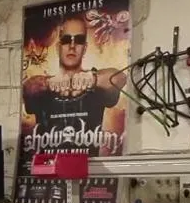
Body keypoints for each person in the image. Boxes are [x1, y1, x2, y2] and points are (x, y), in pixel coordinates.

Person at [21, 15, 125, 156]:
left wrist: (93, 79)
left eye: (79, 40)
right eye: (66, 40)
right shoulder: (43, 87)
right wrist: (48, 83)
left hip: (89, 166)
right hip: (49, 166)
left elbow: (119, 78)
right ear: (58, 47)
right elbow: (27, 88)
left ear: (85, 48)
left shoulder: (97, 83)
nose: (72, 46)